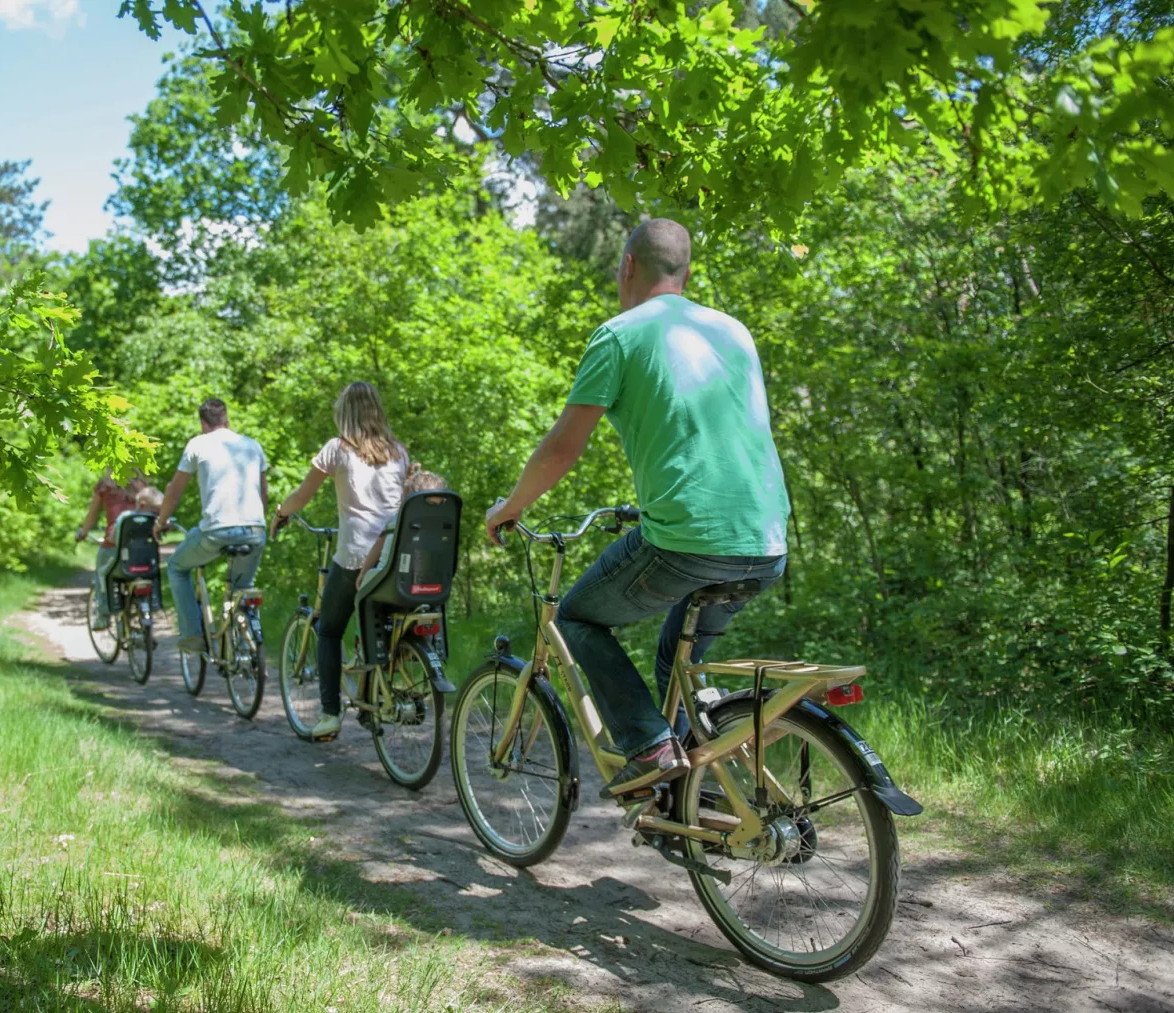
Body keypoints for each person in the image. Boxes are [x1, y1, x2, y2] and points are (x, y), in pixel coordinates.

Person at [484, 219, 790, 799]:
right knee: (677, 667)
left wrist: (509, 507)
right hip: (767, 540)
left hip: (687, 544)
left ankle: (649, 747)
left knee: (573, 620)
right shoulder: (734, 331)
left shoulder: (619, 335)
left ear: (627, 266)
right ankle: (688, 798)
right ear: (687, 274)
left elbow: (561, 448)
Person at [271, 382, 409, 741]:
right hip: (394, 553)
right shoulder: (399, 452)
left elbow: (302, 495)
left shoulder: (338, 449)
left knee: (329, 630)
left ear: (344, 414)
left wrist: (281, 512)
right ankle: (375, 689)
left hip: (356, 555)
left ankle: (330, 716)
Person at [154, 398, 270, 653]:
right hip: (255, 531)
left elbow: (174, 492)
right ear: (227, 420)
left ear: (203, 424)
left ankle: (193, 634)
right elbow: (264, 494)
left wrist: (161, 522)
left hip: (217, 532)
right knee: (242, 590)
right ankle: (244, 640)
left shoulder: (198, 444)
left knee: (176, 567)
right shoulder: (252, 445)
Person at [355, 464, 448, 590]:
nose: (431, 511)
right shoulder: (441, 527)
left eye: (436, 505)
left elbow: (378, 545)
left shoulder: (396, 520)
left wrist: (363, 573)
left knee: (361, 594)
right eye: (429, 504)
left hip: (388, 580)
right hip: (426, 584)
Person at [76, 468, 144, 628]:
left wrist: (83, 533)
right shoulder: (141, 485)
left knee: (101, 574)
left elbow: (92, 515)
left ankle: (103, 615)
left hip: (113, 543)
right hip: (138, 544)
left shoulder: (105, 487)